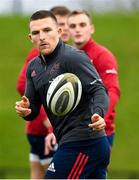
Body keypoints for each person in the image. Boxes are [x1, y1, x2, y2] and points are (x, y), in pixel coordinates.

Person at [15, 10, 110, 179]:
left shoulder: (73, 57)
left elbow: (99, 89)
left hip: (84, 142)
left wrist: (98, 113)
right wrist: (26, 111)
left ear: (59, 32)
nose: (42, 36)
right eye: (36, 33)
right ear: (31, 38)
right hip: (72, 141)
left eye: (47, 30)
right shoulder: (33, 67)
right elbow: (33, 108)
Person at [16, 6, 71, 179]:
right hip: (43, 130)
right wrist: (47, 117)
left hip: (46, 130)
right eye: (60, 23)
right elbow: (22, 85)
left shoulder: (65, 54)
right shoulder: (39, 55)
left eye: (66, 24)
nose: (66, 28)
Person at [67, 10, 120, 148]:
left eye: (82, 25)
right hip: (71, 132)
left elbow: (112, 91)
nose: (77, 29)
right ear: (67, 30)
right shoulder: (66, 57)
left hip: (98, 131)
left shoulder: (103, 56)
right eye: (73, 26)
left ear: (91, 28)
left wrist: (100, 118)